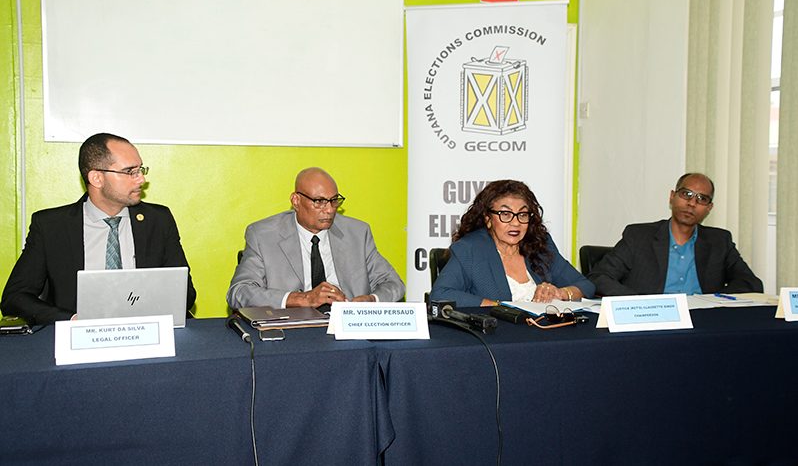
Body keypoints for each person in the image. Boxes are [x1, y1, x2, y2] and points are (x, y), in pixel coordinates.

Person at [1, 133, 197, 325]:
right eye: (130, 172)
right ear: (96, 178)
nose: (141, 180)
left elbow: (185, 295)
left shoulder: (158, 221)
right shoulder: (51, 226)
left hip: (146, 335)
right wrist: (73, 321)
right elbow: (14, 298)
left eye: (141, 170)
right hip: (78, 343)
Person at [227, 167, 405, 309]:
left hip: (347, 329)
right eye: (319, 201)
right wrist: (301, 299)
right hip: (293, 332)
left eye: (334, 200)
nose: (329, 210)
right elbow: (239, 292)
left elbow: (393, 284)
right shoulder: (263, 235)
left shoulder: (357, 233)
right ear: (296, 201)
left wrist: (371, 301)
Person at [588, 172, 763, 296]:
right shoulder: (638, 237)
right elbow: (599, 277)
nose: (692, 203)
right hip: (653, 322)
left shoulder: (720, 241)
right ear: (672, 197)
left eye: (702, 199)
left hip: (702, 325)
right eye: (686, 194)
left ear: (709, 208)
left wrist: (713, 299)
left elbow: (751, 283)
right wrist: (641, 302)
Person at [430, 179, 594, 307]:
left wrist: (561, 293)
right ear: (488, 219)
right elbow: (440, 294)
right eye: (505, 214)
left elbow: (586, 285)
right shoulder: (471, 249)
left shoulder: (540, 245)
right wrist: (500, 307)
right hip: (497, 340)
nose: (515, 223)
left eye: (522, 214)